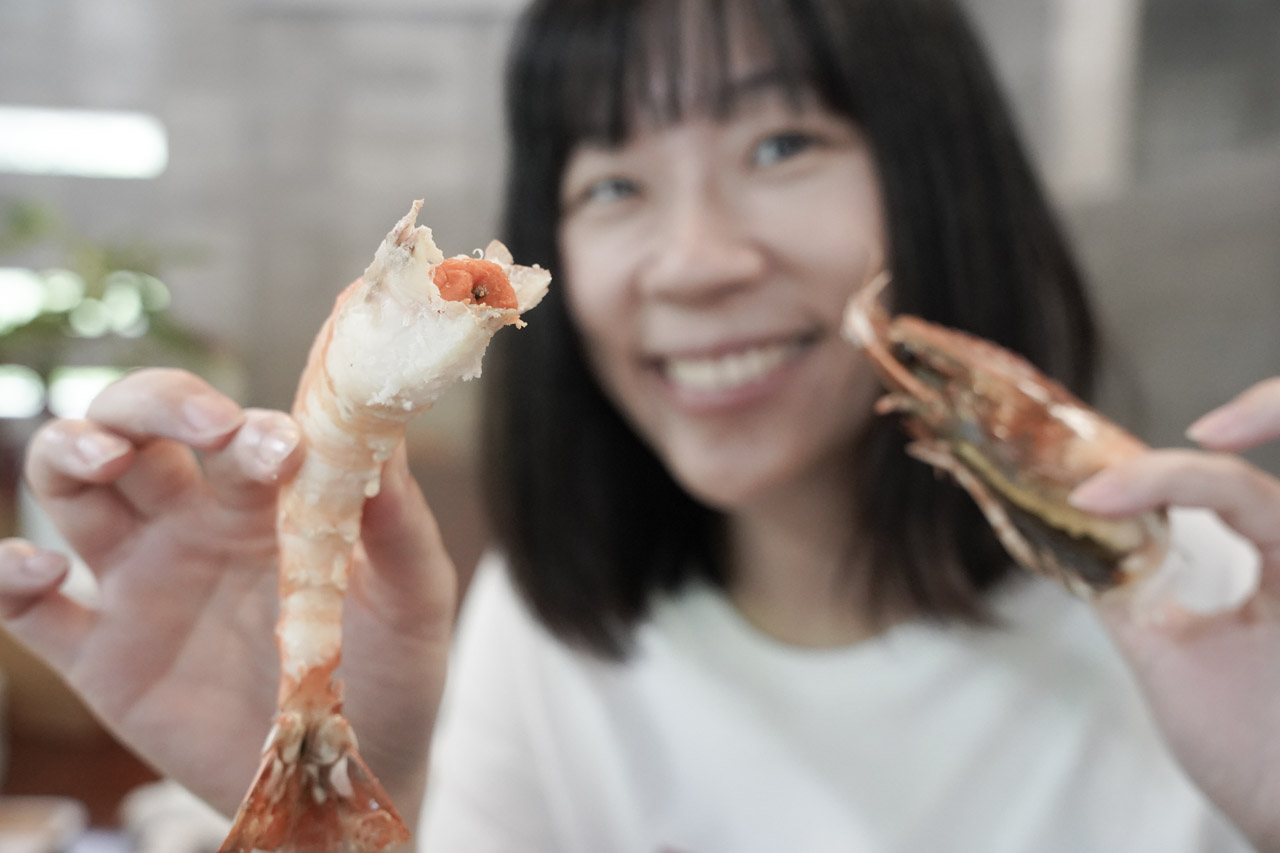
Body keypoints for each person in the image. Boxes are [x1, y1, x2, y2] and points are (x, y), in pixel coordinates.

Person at [1, 0, 1278, 850]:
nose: (689, 261)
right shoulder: (546, 640)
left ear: (944, 180)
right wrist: (342, 821)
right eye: (611, 181)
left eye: (781, 143)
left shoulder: (1212, 616)